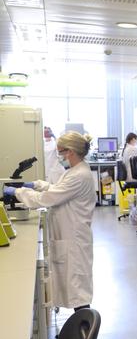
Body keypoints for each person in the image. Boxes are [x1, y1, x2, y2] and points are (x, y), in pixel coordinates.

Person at [3, 131, 96, 310]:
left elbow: (46, 199)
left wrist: (16, 192)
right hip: (71, 237)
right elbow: (57, 189)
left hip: (74, 241)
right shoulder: (76, 171)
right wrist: (35, 184)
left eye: (60, 153)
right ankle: (80, 327)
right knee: (74, 288)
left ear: (70, 152)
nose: (59, 156)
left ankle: (83, 331)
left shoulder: (79, 175)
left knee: (78, 293)